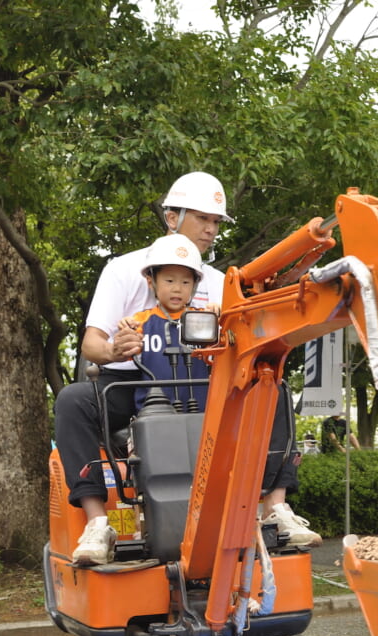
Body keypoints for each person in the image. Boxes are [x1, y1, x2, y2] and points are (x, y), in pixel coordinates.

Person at [55, 172, 317, 565]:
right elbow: (93, 343)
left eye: (215, 222)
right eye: (202, 218)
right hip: (136, 383)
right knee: (73, 401)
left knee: (272, 388)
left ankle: (275, 508)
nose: (211, 230)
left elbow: (254, 341)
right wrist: (114, 349)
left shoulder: (222, 282)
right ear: (171, 217)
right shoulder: (123, 269)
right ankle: (97, 521)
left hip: (202, 382)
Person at [118, 234, 214, 411]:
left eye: (185, 282)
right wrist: (126, 331)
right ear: (151, 281)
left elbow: (223, 351)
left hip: (201, 411)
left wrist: (221, 316)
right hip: (153, 411)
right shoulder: (141, 321)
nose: (177, 288)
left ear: (194, 286)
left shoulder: (204, 320)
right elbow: (125, 349)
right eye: (169, 281)